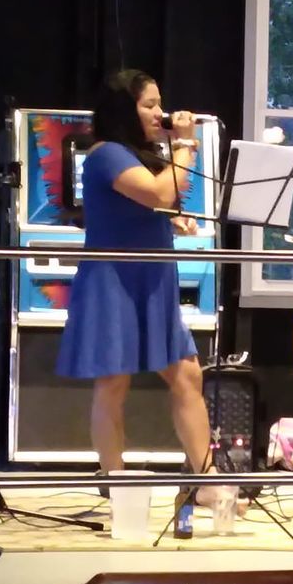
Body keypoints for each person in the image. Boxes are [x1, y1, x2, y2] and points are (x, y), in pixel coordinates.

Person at [55, 69, 214, 494]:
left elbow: (149, 204)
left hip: (152, 280)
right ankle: (116, 481)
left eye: (160, 104)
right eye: (149, 105)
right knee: (113, 381)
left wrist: (172, 222)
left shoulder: (137, 154)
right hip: (114, 282)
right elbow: (158, 193)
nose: (160, 113)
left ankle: (207, 481)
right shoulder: (106, 153)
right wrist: (184, 145)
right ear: (125, 109)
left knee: (187, 375)